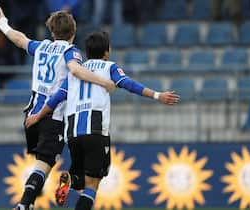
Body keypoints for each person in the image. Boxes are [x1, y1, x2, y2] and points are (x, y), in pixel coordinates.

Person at [24, 31, 180, 210]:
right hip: (96, 131)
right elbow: (128, 84)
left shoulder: (75, 72)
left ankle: (71, 178)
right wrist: (157, 95)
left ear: (87, 52)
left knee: (81, 178)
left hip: (73, 133)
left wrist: (38, 115)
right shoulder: (109, 68)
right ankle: (71, 179)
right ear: (107, 52)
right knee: (92, 184)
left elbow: (56, 98)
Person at [0, 8, 115, 210]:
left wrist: (3, 24)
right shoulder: (71, 51)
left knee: (43, 163)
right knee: (48, 163)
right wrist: (104, 82)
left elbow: (20, 39)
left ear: (52, 31)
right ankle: (25, 204)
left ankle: (29, 199)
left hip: (31, 114)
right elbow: (76, 69)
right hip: (53, 116)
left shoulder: (41, 47)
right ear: (73, 33)